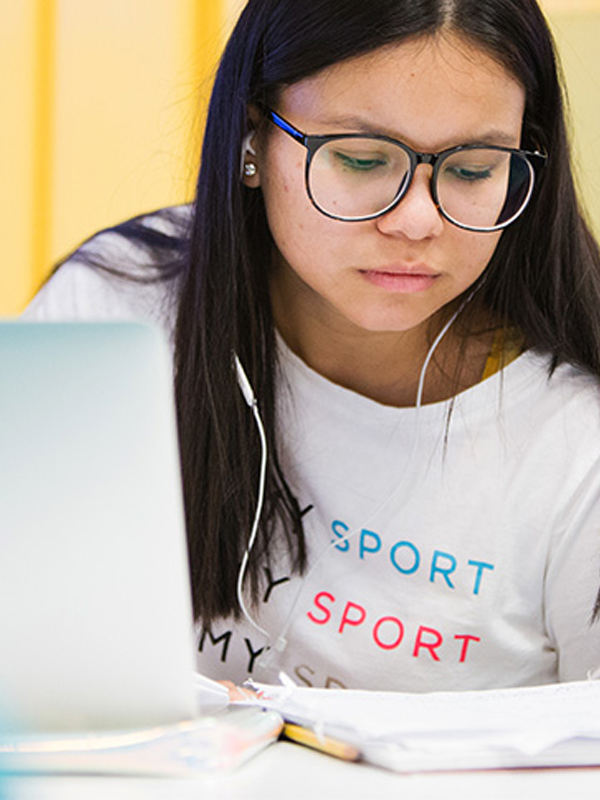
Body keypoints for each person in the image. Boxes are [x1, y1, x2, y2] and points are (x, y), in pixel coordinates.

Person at [24, 0, 600, 692]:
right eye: (360, 160)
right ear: (251, 142)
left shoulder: (575, 433)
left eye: (474, 169)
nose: (417, 220)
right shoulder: (118, 313)